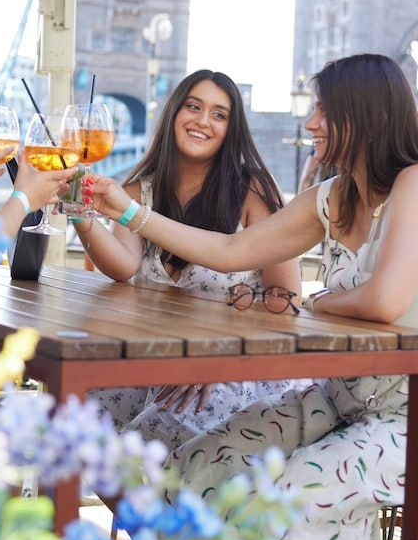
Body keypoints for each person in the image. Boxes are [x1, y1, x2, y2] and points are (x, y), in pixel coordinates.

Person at [84, 53, 418, 540]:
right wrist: (128, 212)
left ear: (363, 114)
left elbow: (385, 299)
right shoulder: (331, 196)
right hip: (345, 400)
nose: (311, 126)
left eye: (323, 112)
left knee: (290, 499)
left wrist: (324, 299)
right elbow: (229, 250)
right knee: (195, 468)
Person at [72, 69, 303, 451]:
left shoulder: (253, 191)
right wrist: (82, 217)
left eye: (219, 114)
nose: (202, 121)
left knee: (159, 428)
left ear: (232, 129)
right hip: (159, 359)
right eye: (193, 107)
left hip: (239, 360)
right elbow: (123, 266)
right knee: (83, 417)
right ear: (174, 114)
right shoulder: (139, 190)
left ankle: (176, 511)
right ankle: (138, 514)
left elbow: (287, 298)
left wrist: (221, 358)